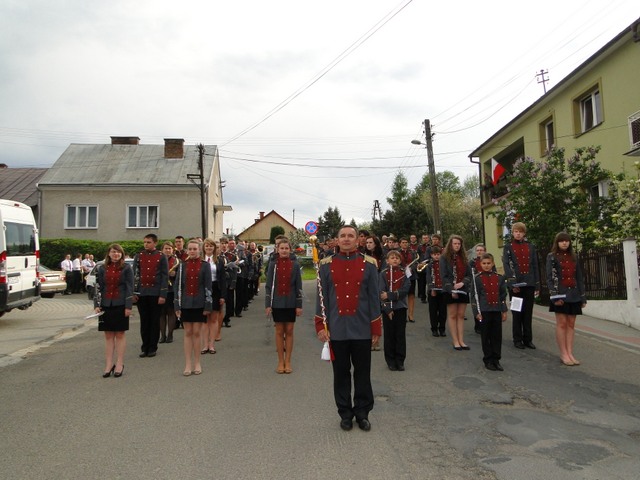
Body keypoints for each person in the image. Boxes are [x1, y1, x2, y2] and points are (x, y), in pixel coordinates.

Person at [315, 225, 382, 432]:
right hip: (336, 329)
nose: (346, 239)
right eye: (342, 236)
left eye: (350, 236)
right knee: (341, 374)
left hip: (362, 328)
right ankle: (345, 413)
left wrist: (376, 328)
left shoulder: (369, 264)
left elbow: (374, 298)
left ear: (357, 240)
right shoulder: (325, 265)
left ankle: (362, 413)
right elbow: (322, 298)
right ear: (337, 240)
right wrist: (320, 325)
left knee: (362, 373)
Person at [546, 232, 587, 366]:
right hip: (560, 294)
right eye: (561, 241)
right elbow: (549, 278)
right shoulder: (552, 257)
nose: (564, 243)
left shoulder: (574, 257)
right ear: (557, 243)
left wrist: (582, 297)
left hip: (574, 294)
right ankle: (563, 353)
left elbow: (579, 277)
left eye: (567, 241)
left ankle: (570, 353)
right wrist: (554, 296)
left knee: (571, 324)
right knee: (562, 323)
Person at [94, 244, 134, 378]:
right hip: (106, 305)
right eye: (113, 252)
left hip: (121, 304)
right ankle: (108, 364)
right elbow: (98, 287)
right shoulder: (102, 268)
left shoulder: (126, 268)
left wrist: (128, 306)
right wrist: (97, 305)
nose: (115, 254)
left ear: (121, 254)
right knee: (108, 336)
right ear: (109, 254)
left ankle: (119, 363)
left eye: (118, 252)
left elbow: (129, 288)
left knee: (120, 334)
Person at [175, 239, 212, 376]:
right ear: (187, 250)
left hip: (199, 303)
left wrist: (208, 305)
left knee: (196, 332)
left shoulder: (205, 266)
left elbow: (208, 286)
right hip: (185, 303)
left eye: (195, 249)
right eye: (190, 249)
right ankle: (187, 364)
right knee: (187, 332)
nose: (192, 251)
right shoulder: (182, 266)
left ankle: (197, 362)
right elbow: (178, 286)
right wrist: (177, 305)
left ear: (199, 250)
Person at [265, 238, 303, 374]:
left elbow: (298, 286)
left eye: (287, 248)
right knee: (279, 331)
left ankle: (288, 361)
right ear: (277, 249)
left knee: (290, 330)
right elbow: (269, 285)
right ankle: (280, 361)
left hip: (291, 302)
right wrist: (268, 304)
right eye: (282, 248)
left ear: (290, 250)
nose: (284, 251)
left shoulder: (295, 265)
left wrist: (299, 305)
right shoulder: (273, 265)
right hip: (277, 302)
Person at [502, 222, 540, 349]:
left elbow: (535, 265)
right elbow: (507, 265)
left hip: (529, 284)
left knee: (528, 313)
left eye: (520, 232)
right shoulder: (508, 247)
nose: (518, 234)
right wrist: (512, 284)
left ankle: (528, 339)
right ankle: (517, 339)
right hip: (516, 285)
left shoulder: (530, 247)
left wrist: (537, 285)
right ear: (513, 233)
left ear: (524, 233)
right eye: (516, 231)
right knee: (517, 312)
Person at [133, 234, 169, 358]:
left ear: (155, 243)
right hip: (142, 293)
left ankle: (153, 347)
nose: (146, 244)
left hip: (155, 293)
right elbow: (135, 275)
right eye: (145, 242)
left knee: (154, 321)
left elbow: (164, 276)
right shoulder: (139, 256)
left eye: (148, 242)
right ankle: (145, 347)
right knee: (144, 321)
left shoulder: (161, 256)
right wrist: (134, 292)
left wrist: (162, 294)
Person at [470, 253, 508, 371]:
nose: (486, 265)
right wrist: (476, 313)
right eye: (484, 263)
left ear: (493, 264)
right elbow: (474, 297)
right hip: (484, 311)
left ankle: (496, 359)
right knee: (486, 336)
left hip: (496, 310)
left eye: (488, 263)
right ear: (480, 264)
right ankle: (488, 359)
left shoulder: (499, 278)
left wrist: (504, 311)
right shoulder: (477, 279)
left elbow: (502, 296)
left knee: (496, 336)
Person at [379, 250, 411, 371]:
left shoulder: (404, 272)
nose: (395, 260)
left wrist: (390, 295)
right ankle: (390, 360)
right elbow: (381, 292)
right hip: (388, 309)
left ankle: (400, 360)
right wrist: (387, 308)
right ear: (387, 261)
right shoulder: (383, 274)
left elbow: (406, 289)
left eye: (397, 258)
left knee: (400, 335)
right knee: (389, 335)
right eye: (392, 258)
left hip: (400, 307)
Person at [441, 234, 471, 350]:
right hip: (450, 289)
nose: (457, 246)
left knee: (461, 315)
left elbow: (469, 275)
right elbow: (444, 276)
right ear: (451, 244)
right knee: (453, 315)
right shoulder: (444, 258)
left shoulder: (464, 258)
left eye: (459, 244)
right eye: (455, 243)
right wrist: (451, 289)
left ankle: (461, 340)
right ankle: (455, 341)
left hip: (462, 288)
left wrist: (462, 283)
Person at [201, 238, 226, 354]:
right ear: (203, 247)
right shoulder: (200, 260)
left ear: (214, 248)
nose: (209, 248)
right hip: (203, 290)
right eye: (207, 246)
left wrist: (223, 296)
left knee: (214, 318)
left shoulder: (219, 261)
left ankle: (211, 345)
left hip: (216, 289)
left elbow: (223, 279)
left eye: (211, 246)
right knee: (205, 319)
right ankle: (205, 345)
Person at [159, 241, 179, 344]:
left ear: (172, 250)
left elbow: (181, 275)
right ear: (162, 250)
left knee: (171, 312)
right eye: (166, 248)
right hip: (160, 290)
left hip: (172, 289)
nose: (167, 250)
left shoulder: (176, 261)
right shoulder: (158, 260)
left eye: (169, 248)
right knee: (161, 314)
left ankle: (170, 335)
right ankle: (162, 335)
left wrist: (175, 274)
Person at [425, 245, 447, 337]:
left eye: (438, 254)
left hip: (443, 290)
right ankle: (434, 328)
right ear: (431, 255)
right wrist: (432, 289)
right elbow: (428, 278)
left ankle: (442, 328)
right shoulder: (429, 265)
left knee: (443, 311)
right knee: (433, 311)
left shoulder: (444, 264)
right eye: (434, 254)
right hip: (433, 291)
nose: (436, 256)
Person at [398, 238, 417, 322]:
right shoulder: (397, 252)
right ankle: (403, 315)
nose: (405, 244)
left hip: (411, 275)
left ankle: (411, 315)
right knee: (402, 295)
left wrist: (411, 268)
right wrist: (402, 269)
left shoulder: (412, 252)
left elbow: (416, 262)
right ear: (400, 244)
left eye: (406, 242)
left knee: (411, 295)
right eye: (403, 242)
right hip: (401, 276)